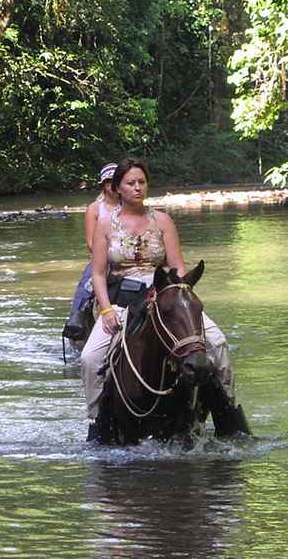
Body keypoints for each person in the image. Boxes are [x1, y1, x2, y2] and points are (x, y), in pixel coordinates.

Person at [81, 157, 236, 440]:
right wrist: (105, 311)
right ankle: (98, 422)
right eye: (131, 183)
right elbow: (99, 275)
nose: (137, 188)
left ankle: (229, 414)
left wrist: (179, 298)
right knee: (90, 358)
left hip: (164, 295)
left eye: (142, 182)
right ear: (117, 188)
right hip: (122, 300)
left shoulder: (162, 220)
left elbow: (176, 267)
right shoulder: (104, 224)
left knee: (217, 342)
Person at [62, 163, 119, 340]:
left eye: (116, 181)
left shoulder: (132, 207)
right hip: (102, 260)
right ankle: (75, 324)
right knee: (85, 289)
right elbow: (91, 243)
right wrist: (112, 255)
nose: (113, 185)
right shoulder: (95, 209)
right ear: (103, 184)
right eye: (109, 181)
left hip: (130, 259)